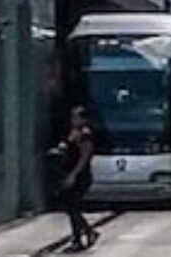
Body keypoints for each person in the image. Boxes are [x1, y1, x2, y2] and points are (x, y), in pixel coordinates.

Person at [59, 106, 98, 252]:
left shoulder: (85, 134)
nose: (73, 120)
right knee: (70, 206)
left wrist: (73, 175)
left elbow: (84, 157)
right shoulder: (72, 133)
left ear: (83, 119)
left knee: (73, 206)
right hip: (71, 173)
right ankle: (85, 233)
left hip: (81, 176)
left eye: (76, 117)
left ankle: (81, 236)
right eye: (72, 117)